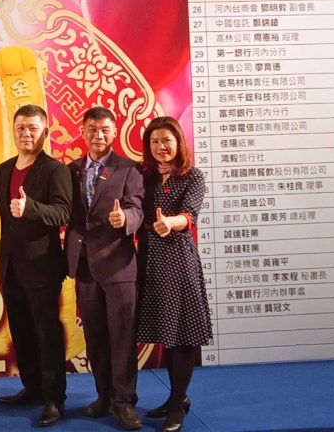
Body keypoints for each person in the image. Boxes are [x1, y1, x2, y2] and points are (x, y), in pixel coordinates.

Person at [66, 107, 144, 430]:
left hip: (118, 266)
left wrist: (125, 219)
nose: (98, 135)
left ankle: (124, 402)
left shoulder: (128, 168)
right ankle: (103, 396)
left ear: (114, 132)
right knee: (95, 336)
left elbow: (137, 207)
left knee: (122, 337)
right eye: (92, 129)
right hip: (84, 267)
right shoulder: (70, 170)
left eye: (105, 130)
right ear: (83, 131)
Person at [0, 104, 72, 427]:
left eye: (33, 128)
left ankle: (54, 398)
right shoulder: (2, 170)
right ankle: (32, 387)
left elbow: (63, 213)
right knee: (22, 332)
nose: (26, 134)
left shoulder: (55, 170)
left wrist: (31, 209)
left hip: (42, 266)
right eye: (21, 128)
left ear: (45, 132)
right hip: (11, 265)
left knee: (46, 333)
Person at [137, 116, 212, 432]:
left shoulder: (192, 176)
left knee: (181, 334)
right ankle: (175, 398)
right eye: (154, 141)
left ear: (178, 142)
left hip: (178, 261)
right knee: (166, 334)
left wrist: (171, 222)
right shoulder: (144, 176)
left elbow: (189, 215)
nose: (160, 147)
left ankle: (178, 404)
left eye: (166, 140)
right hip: (149, 261)